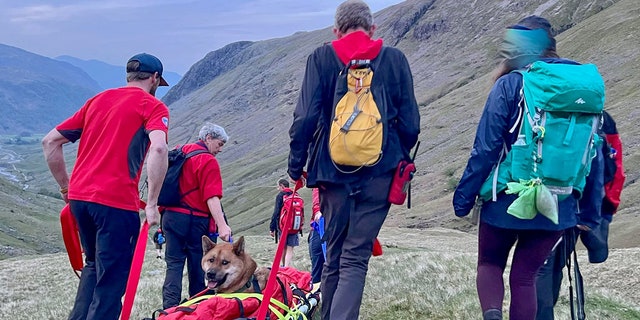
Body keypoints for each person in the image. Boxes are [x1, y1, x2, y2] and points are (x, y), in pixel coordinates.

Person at [453, 16, 599, 320]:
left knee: (490, 265)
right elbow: (593, 152)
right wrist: (586, 212)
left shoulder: (511, 84)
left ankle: (492, 315)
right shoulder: (583, 90)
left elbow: (485, 148)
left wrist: (463, 199)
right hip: (558, 203)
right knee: (525, 278)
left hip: (507, 197)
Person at [287, 1, 420, 318]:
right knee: (355, 256)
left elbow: (304, 118)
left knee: (334, 252)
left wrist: (296, 165)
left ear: (336, 31)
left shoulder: (321, 58)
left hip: (331, 174)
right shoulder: (394, 59)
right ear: (372, 29)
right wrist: (395, 156)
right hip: (380, 174)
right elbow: (412, 124)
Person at [41, 53, 170, 320]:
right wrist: (154, 204)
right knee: (112, 279)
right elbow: (158, 147)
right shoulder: (152, 106)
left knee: (93, 266)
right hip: (115, 202)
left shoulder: (97, 101)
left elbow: (50, 142)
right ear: (155, 78)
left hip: (80, 200)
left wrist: (67, 189)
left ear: (129, 76)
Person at [536, 111, 625, 319]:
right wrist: (603, 209)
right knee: (554, 265)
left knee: (542, 267)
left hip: (545, 201)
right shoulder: (602, 117)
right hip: (582, 206)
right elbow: (614, 166)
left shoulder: (543, 109)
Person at [161, 122, 233, 309]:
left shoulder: (180, 152)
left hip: (170, 217)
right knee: (198, 265)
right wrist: (223, 225)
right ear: (208, 138)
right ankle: (200, 307)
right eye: (219, 144)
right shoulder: (207, 160)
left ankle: (169, 309)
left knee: (174, 265)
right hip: (194, 221)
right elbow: (211, 197)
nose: (220, 149)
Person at [269, 178, 300, 267]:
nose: (277, 188)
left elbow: (276, 212)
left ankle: (283, 267)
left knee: (283, 247)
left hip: (283, 226)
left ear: (282, 186)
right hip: (295, 226)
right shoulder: (296, 194)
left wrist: (272, 228)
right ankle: (286, 266)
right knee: (290, 248)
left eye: (278, 186)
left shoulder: (280, 196)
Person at [308, 188, 325, 292]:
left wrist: (318, 210)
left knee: (317, 262)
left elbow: (317, 193)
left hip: (321, 227)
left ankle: (316, 292)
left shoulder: (322, 175)